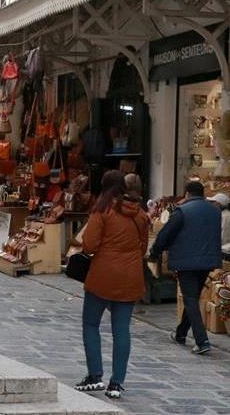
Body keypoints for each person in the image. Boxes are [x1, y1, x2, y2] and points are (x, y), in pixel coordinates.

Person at [75, 170, 149, 399]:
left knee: (90, 324)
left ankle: (95, 375)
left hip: (103, 276)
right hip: (130, 276)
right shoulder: (141, 215)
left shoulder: (102, 210)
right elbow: (143, 249)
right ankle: (116, 383)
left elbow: (89, 246)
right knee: (121, 330)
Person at [150, 181, 222, 355]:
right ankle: (181, 334)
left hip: (187, 261)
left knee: (190, 299)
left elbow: (165, 234)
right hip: (207, 261)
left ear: (187, 194)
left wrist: (155, 251)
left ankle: (202, 340)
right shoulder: (214, 211)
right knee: (193, 297)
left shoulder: (182, 211)